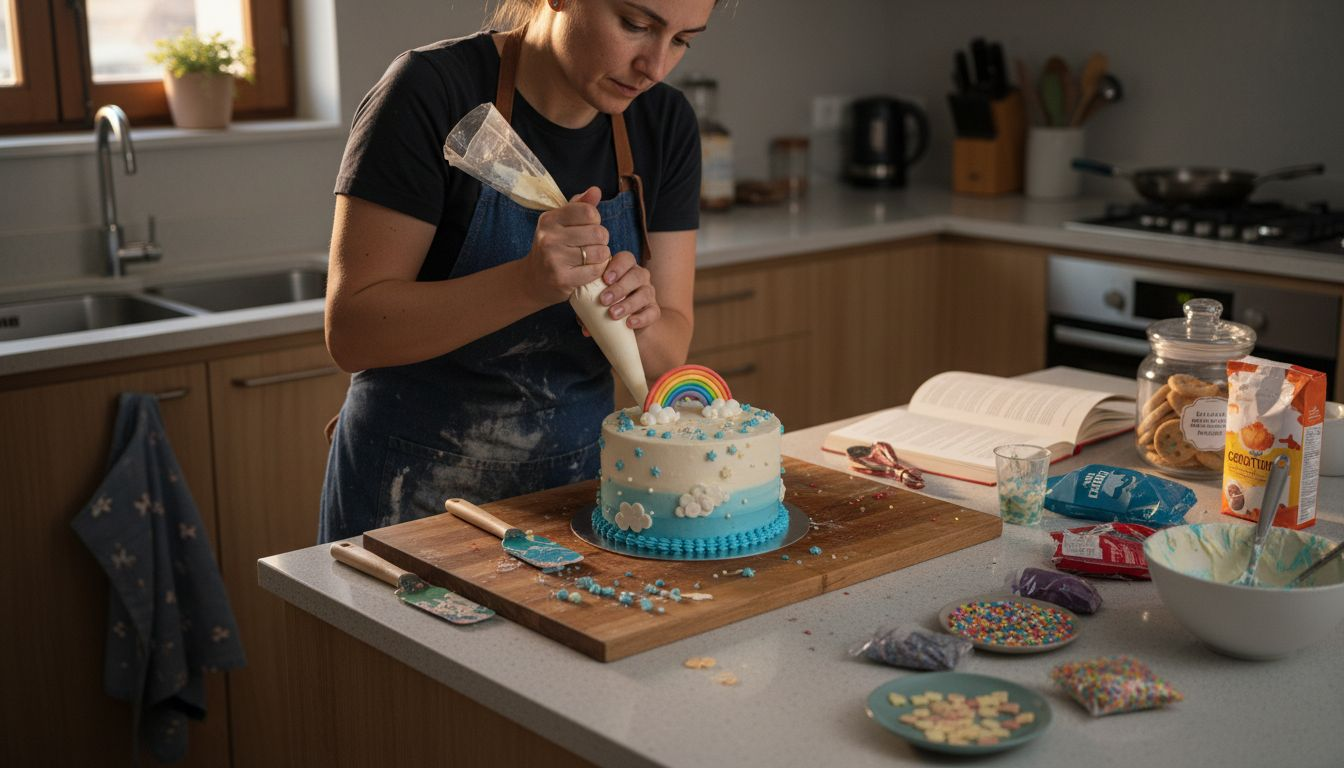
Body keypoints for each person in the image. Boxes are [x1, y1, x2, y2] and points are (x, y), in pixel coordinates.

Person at [319, 0, 717, 542]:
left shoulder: (664, 123)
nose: (656, 66)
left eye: (681, 40)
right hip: (411, 493)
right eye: (636, 25)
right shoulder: (432, 93)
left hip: (576, 494)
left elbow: (669, 356)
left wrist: (637, 315)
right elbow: (353, 333)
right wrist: (527, 284)